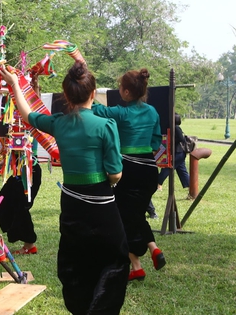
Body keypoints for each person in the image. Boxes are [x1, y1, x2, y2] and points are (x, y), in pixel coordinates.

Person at [0, 62, 129, 314]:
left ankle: (80, 307)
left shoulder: (58, 123)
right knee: (114, 257)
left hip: (71, 203)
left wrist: (15, 84)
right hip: (101, 203)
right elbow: (115, 173)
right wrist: (110, 182)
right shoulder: (106, 126)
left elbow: (28, 116)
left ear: (67, 96)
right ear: (93, 94)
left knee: (75, 257)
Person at [91, 68, 166, 282]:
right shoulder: (152, 111)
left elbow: (95, 109)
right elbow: (156, 140)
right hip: (150, 169)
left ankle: (145, 256)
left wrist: (89, 91)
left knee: (125, 218)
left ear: (125, 92)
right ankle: (143, 259)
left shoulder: (121, 113)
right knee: (134, 215)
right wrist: (146, 149)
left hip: (129, 170)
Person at [158, 113, 190, 191]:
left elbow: (181, 139)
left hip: (177, 152)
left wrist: (171, 141)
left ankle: (158, 183)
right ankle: (190, 186)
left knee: (167, 168)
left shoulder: (175, 128)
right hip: (179, 152)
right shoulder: (175, 127)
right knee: (182, 170)